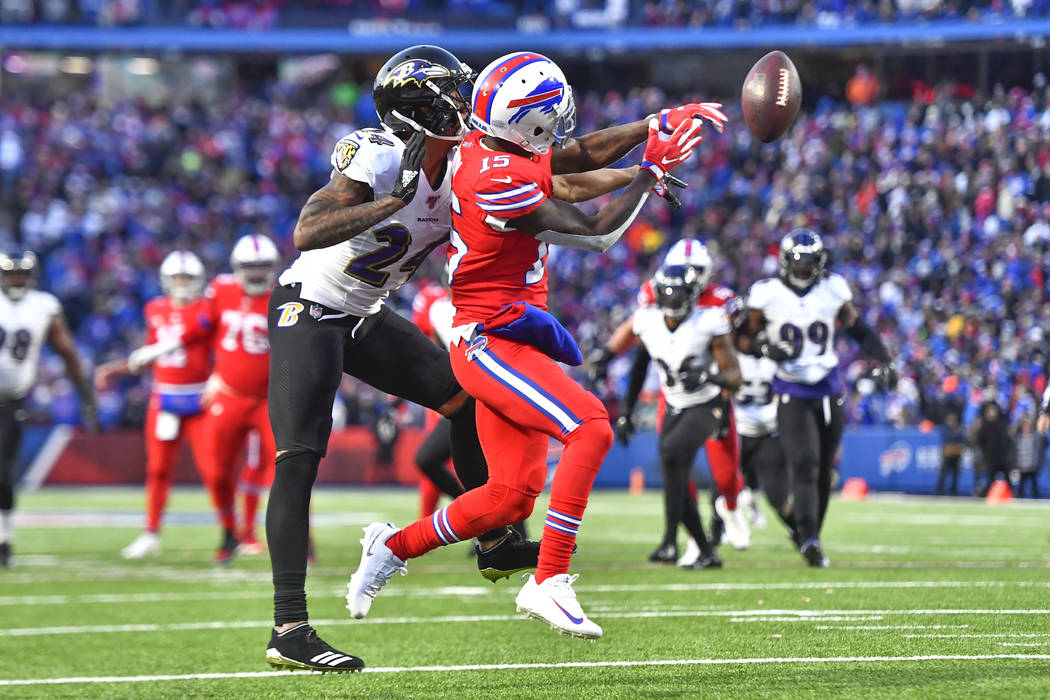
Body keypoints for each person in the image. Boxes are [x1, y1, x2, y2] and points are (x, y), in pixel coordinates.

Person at [344, 50, 721, 640]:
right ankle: (549, 580)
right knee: (590, 426)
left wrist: (652, 126)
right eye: (550, 109)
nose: (561, 115)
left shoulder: (496, 147)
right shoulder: (496, 179)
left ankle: (390, 546)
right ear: (528, 123)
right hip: (488, 340)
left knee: (508, 498)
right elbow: (598, 233)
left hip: (509, 333)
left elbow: (573, 161)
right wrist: (646, 173)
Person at [264, 45, 526, 673]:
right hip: (311, 304)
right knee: (299, 456)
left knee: (467, 397)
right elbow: (308, 229)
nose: (469, 104)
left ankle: (493, 539)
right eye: (455, 94)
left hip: (364, 313)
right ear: (422, 106)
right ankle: (289, 628)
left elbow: (563, 165)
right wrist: (394, 198)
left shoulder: (464, 161)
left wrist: (640, 146)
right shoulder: (378, 153)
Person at [737, 229, 895, 568]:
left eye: (810, 262)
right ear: (785, 261)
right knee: (804, 463)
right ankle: (808, 536)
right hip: (790, 389)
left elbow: (858, 329)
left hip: (828, 387)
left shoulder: (832, 289)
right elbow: (742, 339)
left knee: (823, 469)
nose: (804, 268)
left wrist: (883, 358)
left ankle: (812, 537)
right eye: (799, 261)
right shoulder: (766, 294)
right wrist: (765, 347)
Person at [587, 238, 751, 551]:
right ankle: (690, 540)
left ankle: (729, 507)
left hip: (713, 393)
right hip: (672, 391)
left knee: (725, 473)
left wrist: (715, 376)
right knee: (673, 464)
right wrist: (607, 357)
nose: (680, 284)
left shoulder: (718, 306)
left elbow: (734, 356)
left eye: (694, 270)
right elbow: (638, 336)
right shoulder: (652, 301)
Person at [612, 264, 741, 570]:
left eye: (679, 293)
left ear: (693, 293)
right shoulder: (647, 321)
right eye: (667, 293)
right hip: (674, 404)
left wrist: (709, 377)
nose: (672, 300)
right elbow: (640, 365)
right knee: (673, 469)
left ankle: (671, 541)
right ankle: (706, 550)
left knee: (672, 456)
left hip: (708, 403)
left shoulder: (709, 320)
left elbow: (735, 376)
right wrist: (626, 411)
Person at [95, 251, 215, 561]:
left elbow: (214, 347)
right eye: (177, 278)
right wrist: (117, 368)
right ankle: (151, 532)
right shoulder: (155, 309)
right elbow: (150, 356)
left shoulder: (207, 309)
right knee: (158, 469)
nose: (182, 284)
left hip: (201, 397)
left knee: (214, 469)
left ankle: (233, 532)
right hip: (164, 399)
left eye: (187, 278)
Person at [0, 251, 98, 568]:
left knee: (3, 474)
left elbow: (67, 352)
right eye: (11, 275)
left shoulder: (43, 306)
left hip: (11, 401)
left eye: (21, 275)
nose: (16, 280)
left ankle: (4, 539)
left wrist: (85, 396)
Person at [195, 234, 282, 560]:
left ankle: (303, 539)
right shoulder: (221, 290)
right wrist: (211, 376)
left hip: (270, 399)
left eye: (263, 267)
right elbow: (200, 333)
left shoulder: (283, 294)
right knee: (216, 470)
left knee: (288, 468)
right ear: (238, 267)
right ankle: (229, 530)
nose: (257, 273)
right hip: (229, 395)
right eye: (250, 267)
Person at [973, 400, 1011, 495]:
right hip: (990, 458)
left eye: (994, 411)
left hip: (1002, 457)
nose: (993, 413)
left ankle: (1011, 494)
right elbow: (979, 441)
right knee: (990, 479)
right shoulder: (984, 426)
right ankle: (984, 495)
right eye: (990, 411)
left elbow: (1006, 441)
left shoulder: (1001, 425)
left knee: (1007, 478)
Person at [1012, 413, 1042, 498]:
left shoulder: (1035, 437)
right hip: (1022, 466)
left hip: (1032, 466)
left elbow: (1038, 451)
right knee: (1020, 487)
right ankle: (1018, 500)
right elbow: (1015, 452)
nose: (1026, 428)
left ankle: (1037, 500)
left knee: (1034, 487)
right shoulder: (1018, 438)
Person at [937, 412, 965, 496]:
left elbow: (963, 441)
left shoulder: (959, 429)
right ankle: (940, 490)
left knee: (955, 473)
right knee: (943, 473)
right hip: (947, 454)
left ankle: (953, 490)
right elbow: (946, 440)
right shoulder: (945, 429)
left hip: (956, 454)